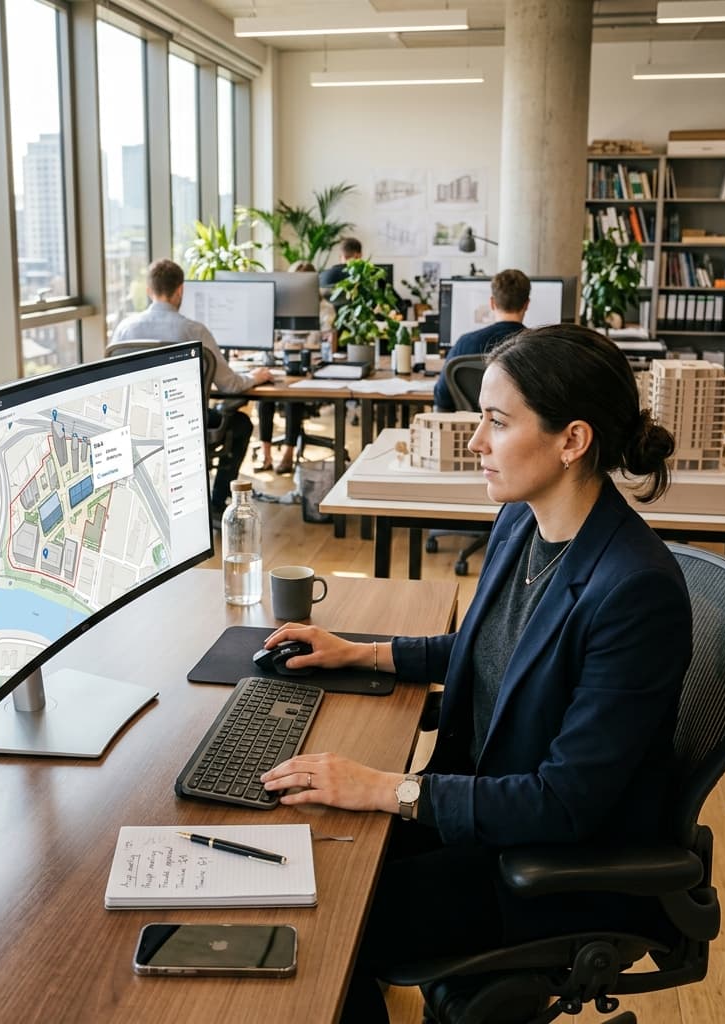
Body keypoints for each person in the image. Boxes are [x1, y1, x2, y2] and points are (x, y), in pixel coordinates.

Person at [258, 323, 693, 1022]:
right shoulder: (526, 522)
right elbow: (490, 652)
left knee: (325, 927)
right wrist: (359, 652)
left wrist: (386, 789)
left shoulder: (634, 590)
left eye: (496, 421)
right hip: (486, 808)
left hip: (546, 867)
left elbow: (565, 803)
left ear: (571, 440)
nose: (476, 443)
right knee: (308, 852)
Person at [111, 258, 273, 522]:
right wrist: (254, 376)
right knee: (241, 424)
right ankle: (217, 504)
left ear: (149, 291)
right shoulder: (194, 331)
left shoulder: (125, 329)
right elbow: (230, 384)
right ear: (180, 291)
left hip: (135, 424)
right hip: (183, 424)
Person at [434, 267, 531, 411]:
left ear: (492, 303)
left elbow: (442, 399)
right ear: (527, 304)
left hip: (473, 430)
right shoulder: (538, 346)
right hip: (520, 431)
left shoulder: (465, 343)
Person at [256, 259, 316, 474]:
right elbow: (271, 339)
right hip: (279, 366)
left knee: (293, 400)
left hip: (306, 370)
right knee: (264, 399)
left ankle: (289, 454)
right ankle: (266, 455)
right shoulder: (280, 308)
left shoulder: (323, 307)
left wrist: (302, 345)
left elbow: (324, 341)